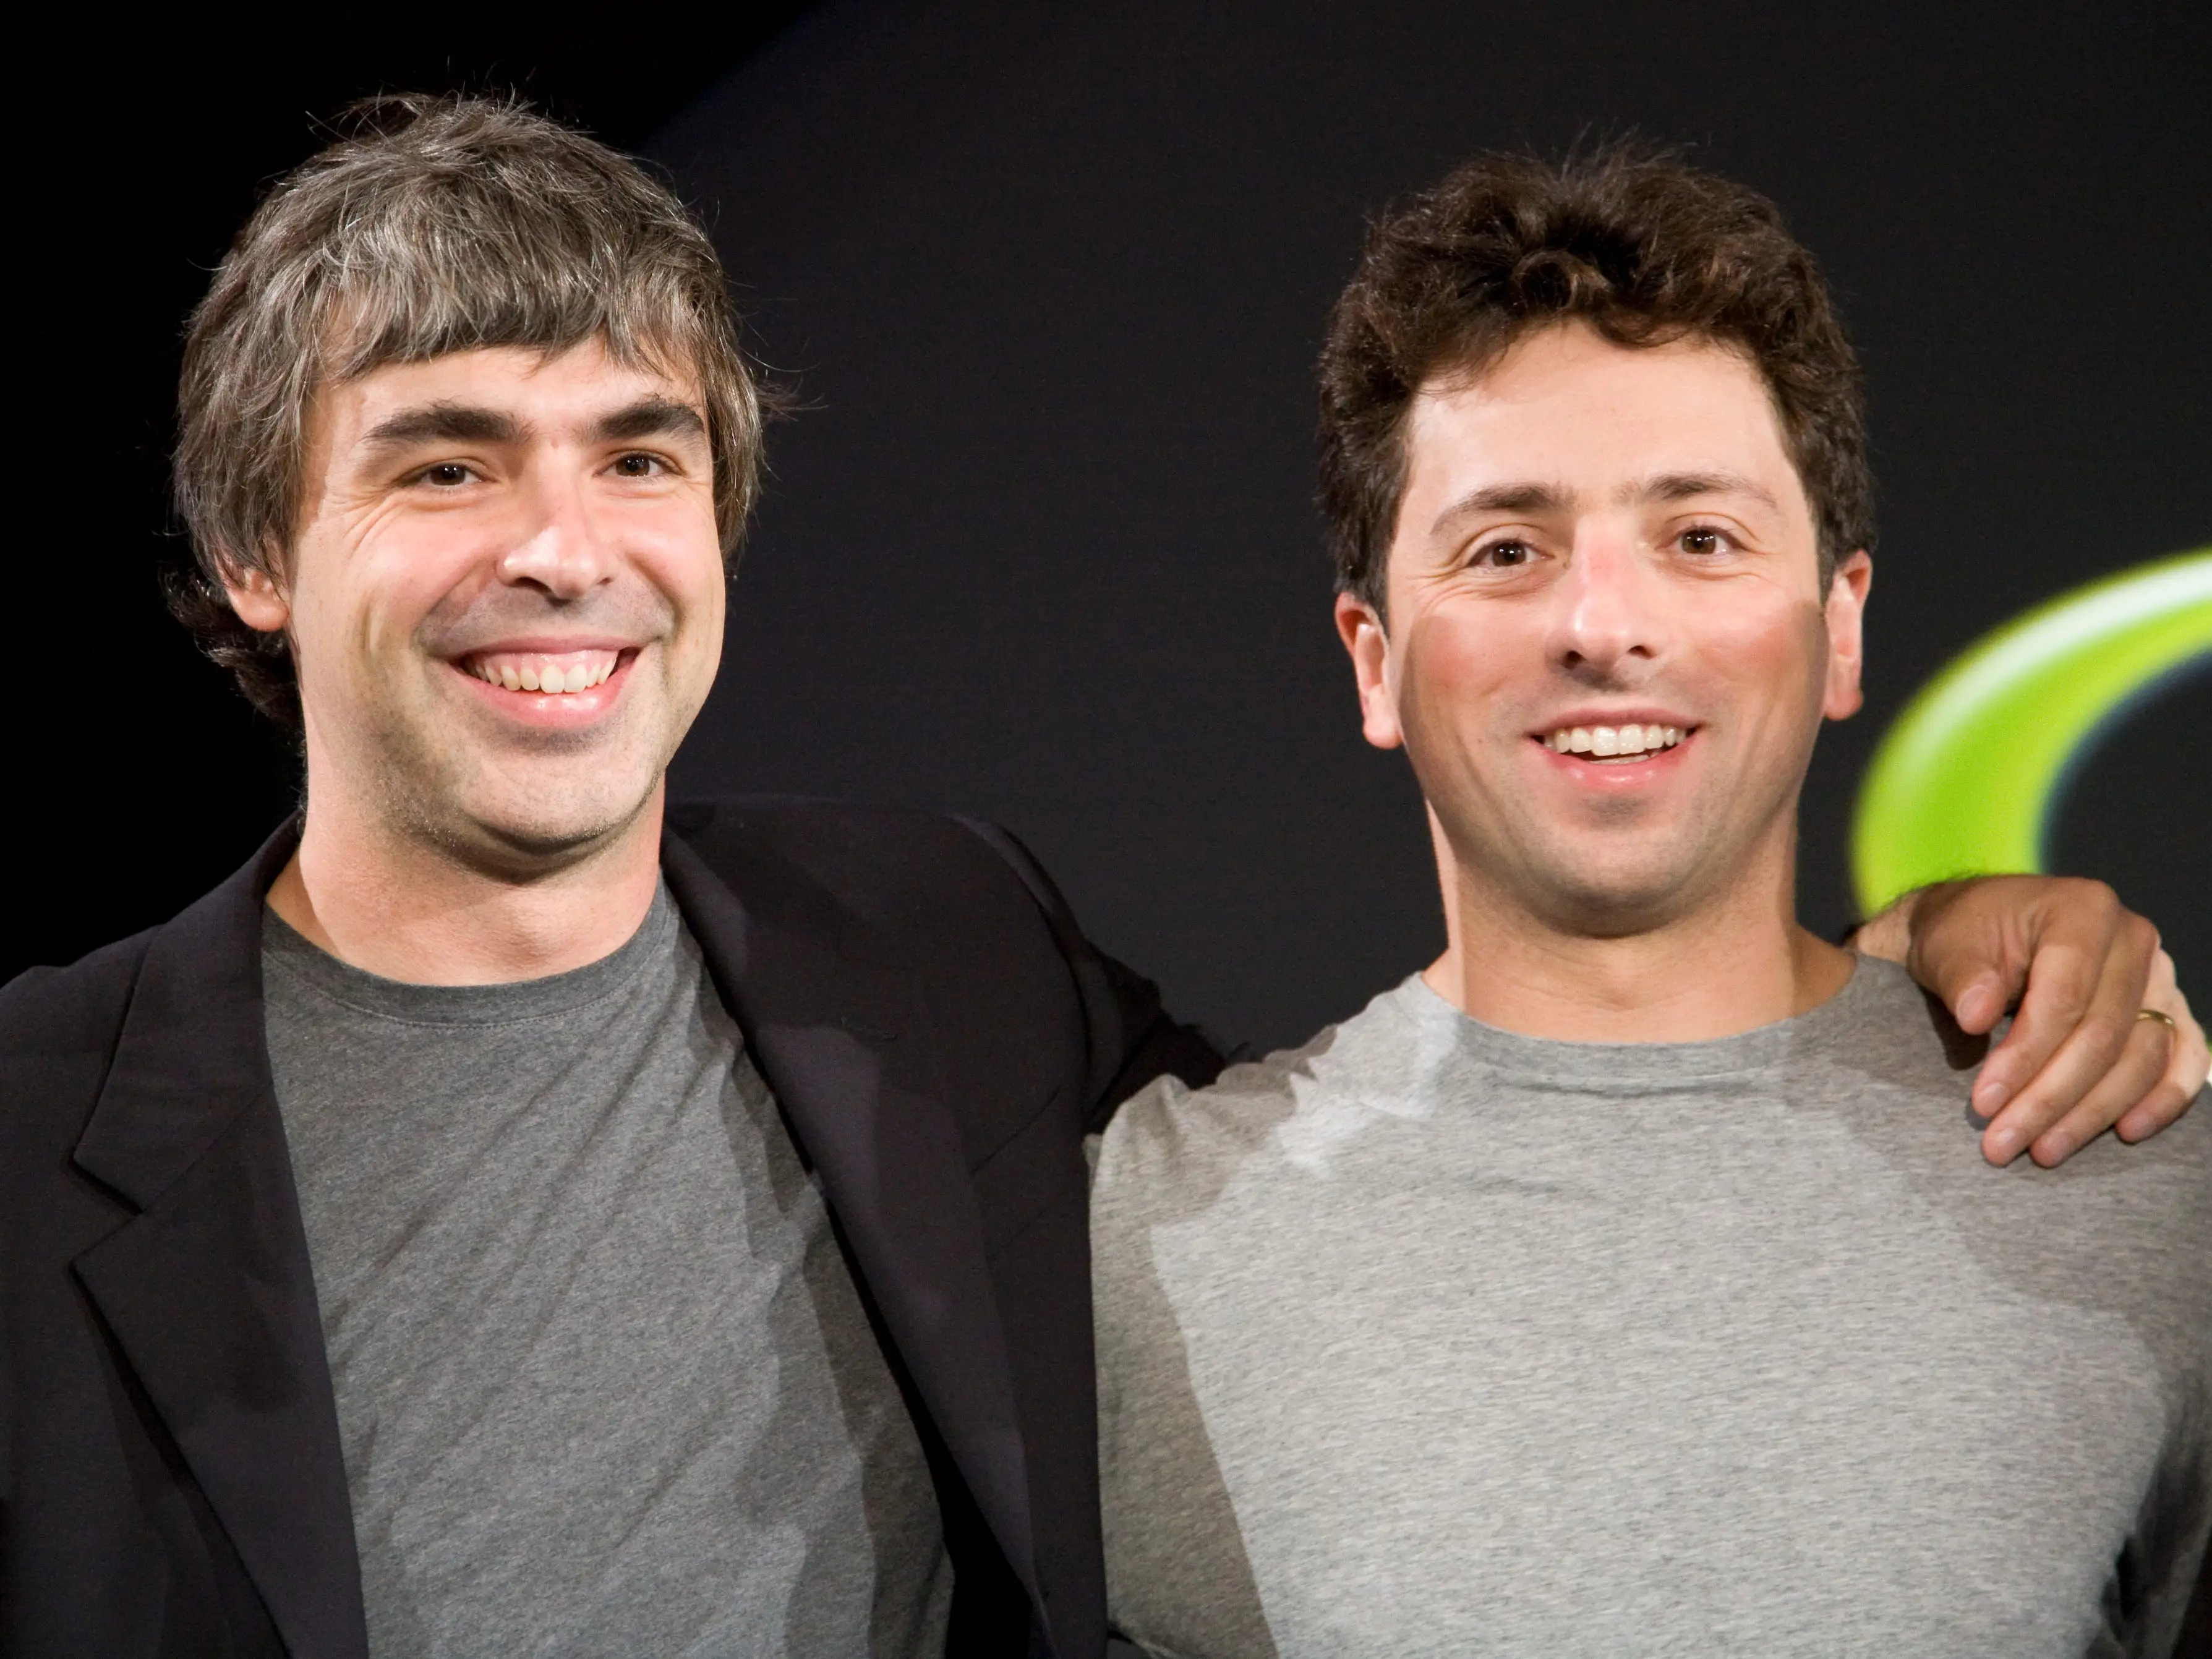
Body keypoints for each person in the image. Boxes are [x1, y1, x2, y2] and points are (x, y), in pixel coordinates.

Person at [0, 101, 2197, 1659]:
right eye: (443, 462)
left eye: (637, 456)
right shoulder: (31, 1129)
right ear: (252, 553)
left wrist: (1948, 935)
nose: (560, 546)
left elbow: (1561, 1114)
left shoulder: (946, 966)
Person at [1091, 145, 2212, 1658]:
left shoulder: (2136, 1159)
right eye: (1506, 550)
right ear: (1373, 659)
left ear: (1838, 629)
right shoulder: (1142, 1233)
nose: (1604, 626)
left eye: (1700, 537)